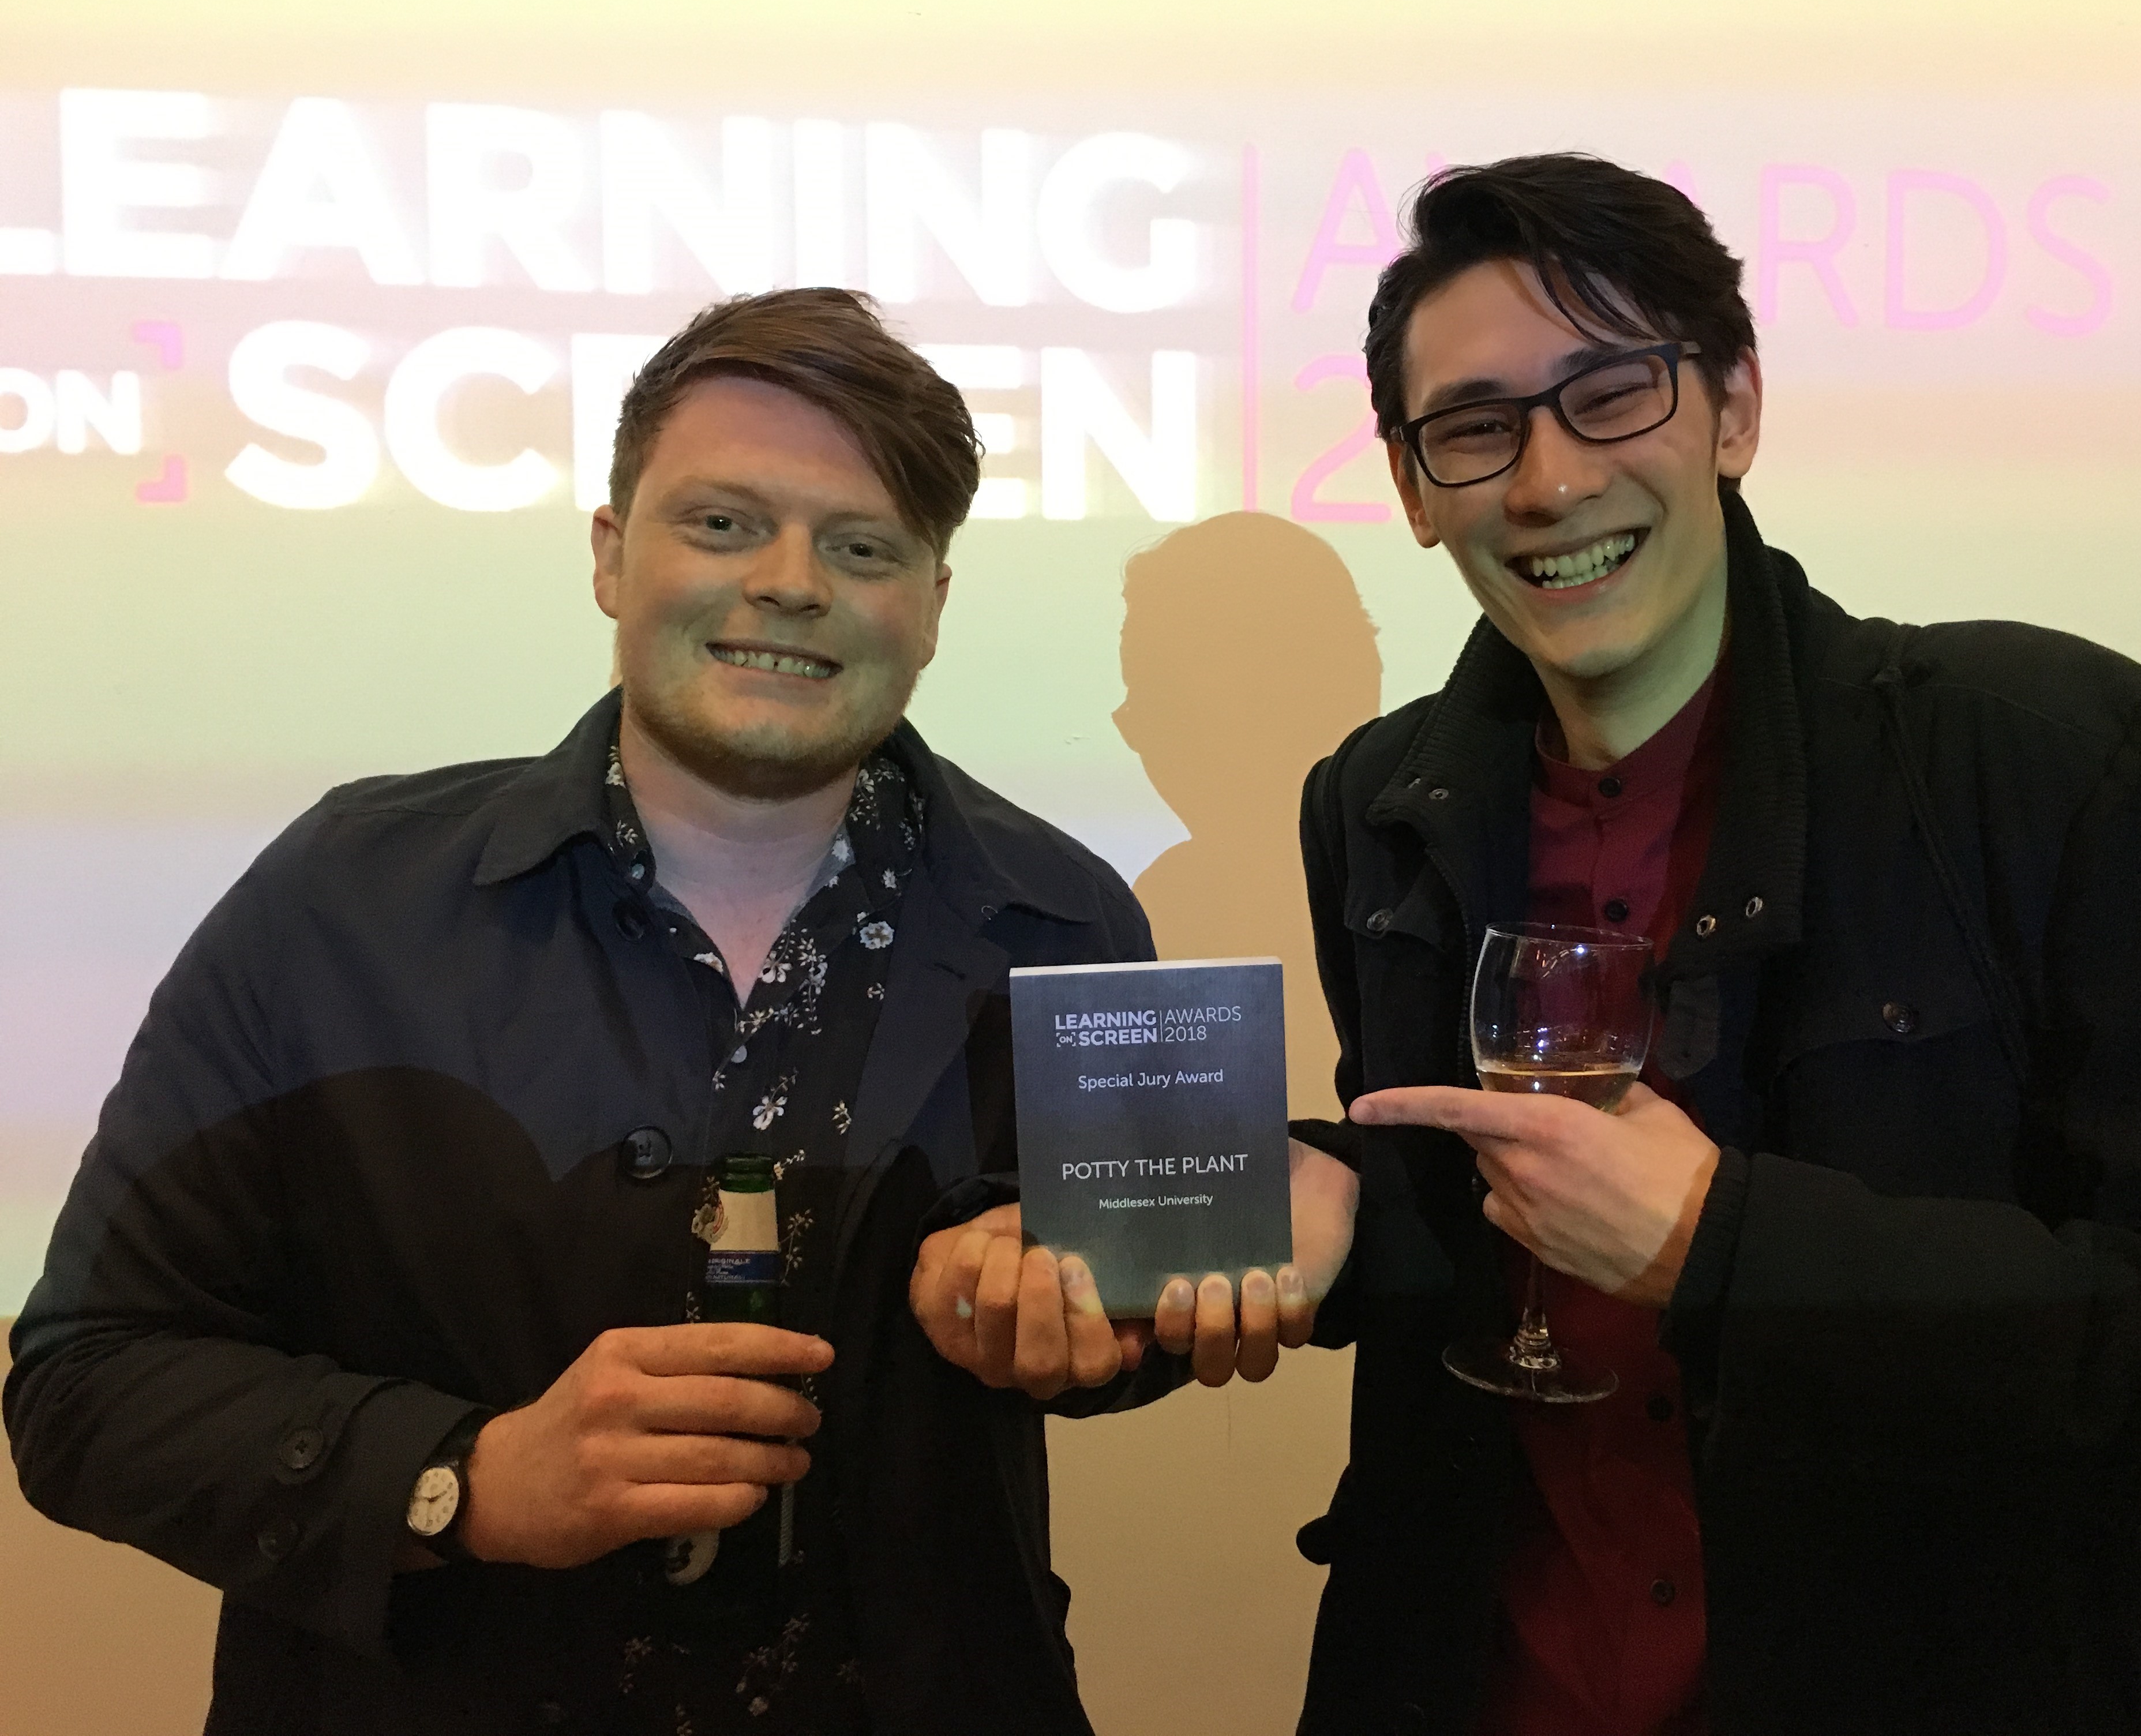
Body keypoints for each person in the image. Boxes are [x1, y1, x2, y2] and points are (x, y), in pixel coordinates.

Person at [3, 288, 1272, 1735]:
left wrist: (1079, 1325)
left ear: (928, 603)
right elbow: (85, 1379)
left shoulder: (1068, 921)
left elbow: (1141, 1314)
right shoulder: (340, 900)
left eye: (861, 547)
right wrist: (462, 1478)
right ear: (612, 558)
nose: (791, 583)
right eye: (723, 524)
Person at [1278, 155, 2141, 1735]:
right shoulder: (1376, 804)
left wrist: (1732, 1249)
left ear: (1734, 410)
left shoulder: (2056, 760)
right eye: (1477, 428)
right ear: (1418, 491)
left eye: (1611, 394)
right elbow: (1485, 1227)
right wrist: (1339, 1213)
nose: (1549, 483)